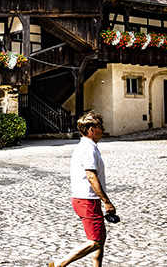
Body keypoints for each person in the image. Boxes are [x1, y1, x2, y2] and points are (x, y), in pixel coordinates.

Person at [49, 111, 116, 267]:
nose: (103, 130)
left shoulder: (88, 146)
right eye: (100, 127)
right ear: (91, 129)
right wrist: (106, 201)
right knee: (95, 241)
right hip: (87, 200)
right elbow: (91, 177)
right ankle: (59, 264)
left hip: (86, 199)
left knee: (101, 238)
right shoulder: (88, 148)